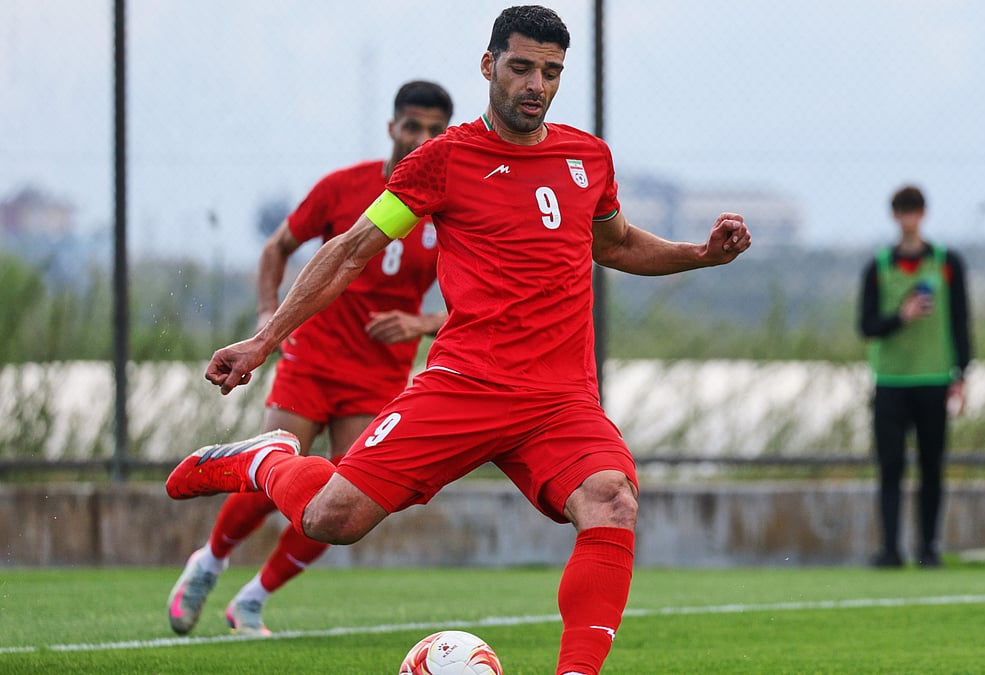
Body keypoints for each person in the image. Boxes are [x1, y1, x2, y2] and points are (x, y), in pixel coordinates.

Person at [165, 6, 750, 673]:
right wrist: (265, 338)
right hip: (466, 386)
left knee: (611, 497)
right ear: (489, 65)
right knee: (333, 517)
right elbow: (353, 248)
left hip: (560, 400)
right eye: (522, 66)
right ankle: (265, 460)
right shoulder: (442, 161)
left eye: (551, 72)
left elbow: (614, 243)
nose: (536, 83)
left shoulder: (588, 157)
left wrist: (699, 253)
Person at [166, 80, 454, 636]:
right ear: (392, 127)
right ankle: (208, 563)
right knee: (274, 471)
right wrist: (267, 320)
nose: (423, 138)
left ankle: (252, 599)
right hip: (313, 358)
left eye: (436, 130)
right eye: (413, 126)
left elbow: (478, 301)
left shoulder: (447, 204)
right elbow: (278, 247)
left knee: (348, 498)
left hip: (379, 376)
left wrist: (421, 323)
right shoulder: (344, 188)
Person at [857, 185, 971, 569]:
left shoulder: (946, 262)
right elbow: (866, 325)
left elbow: (960, 321)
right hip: (890, 381)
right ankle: (890, 549)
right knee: (890, 468)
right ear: (894, 216)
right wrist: (900, 317)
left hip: (934, 378)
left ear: (924, 214)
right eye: (903, 210)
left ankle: (929, 548)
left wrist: (962, 374)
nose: (909, 217)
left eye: (915, 210)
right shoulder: (879, 265)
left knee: (932, 468)